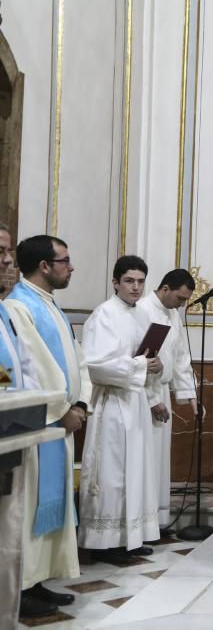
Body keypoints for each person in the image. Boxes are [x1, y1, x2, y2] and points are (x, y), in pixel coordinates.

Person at [6, 235, 91, 617]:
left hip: (60, 422)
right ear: (44, 265)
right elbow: (34, 367)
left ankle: (38, 580)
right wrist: (60, 409)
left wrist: (82, 402)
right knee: (29, 506)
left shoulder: (48, 305)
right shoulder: (20, 307)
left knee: (48, 503)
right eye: (65, 260)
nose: (70, 267)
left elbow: (77, 359)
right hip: (40, 424)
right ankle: (20, 586)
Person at [77, 255, 162, 563]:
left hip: (135, 401)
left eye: (140, 281)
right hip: (112, 403)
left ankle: (130, 536)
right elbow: (96, 365)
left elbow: (145, 355)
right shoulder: (104, 314)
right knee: (112, 473)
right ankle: (106, 542)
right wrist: (141, 364)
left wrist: (154, 364)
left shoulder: (141, 315)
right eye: (129, 281)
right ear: (115, 282)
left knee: (136, 470)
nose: (136, 287)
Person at [135, 269, 197, 535]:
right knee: (145, 460)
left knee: (160, 461)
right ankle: (143, 522)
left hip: (162, 393)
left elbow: (180, 356)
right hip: (142, 393)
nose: (182, 304)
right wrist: (150, 399)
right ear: (165, 289)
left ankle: (157, 521)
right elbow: (140, 357)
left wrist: (190, 394)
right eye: (180, 298)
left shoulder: (172, 314)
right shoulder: (142, 310)